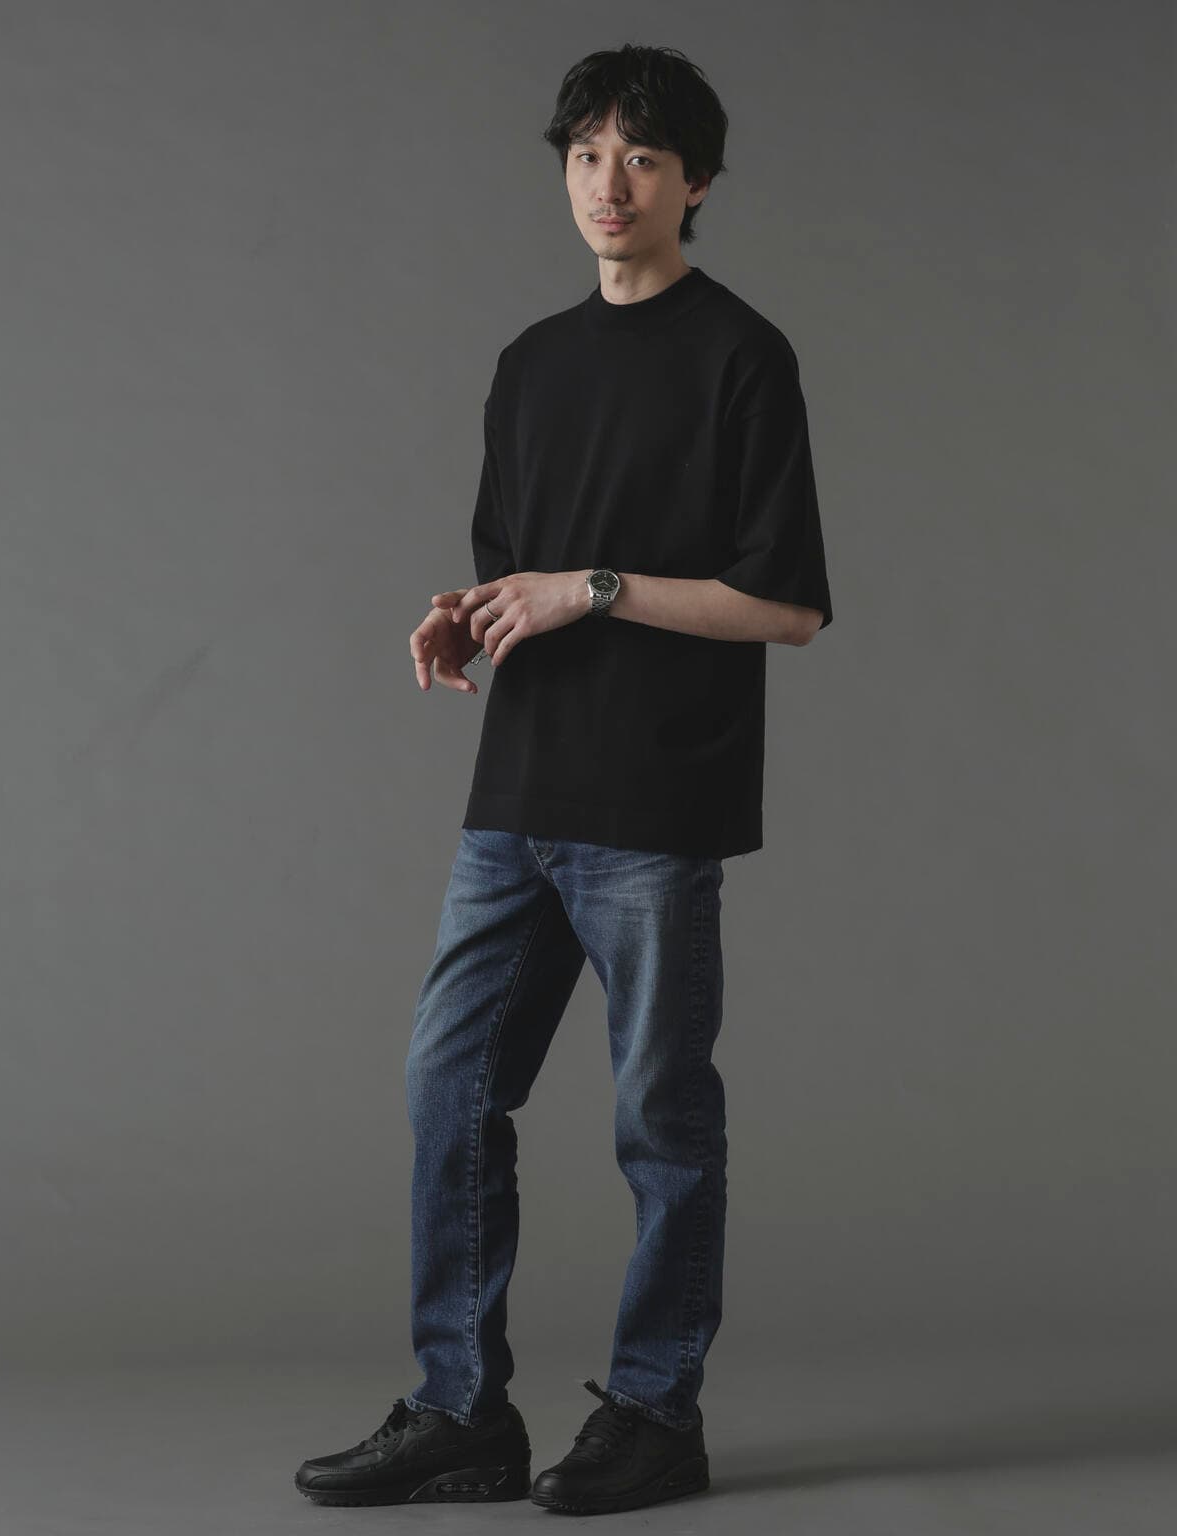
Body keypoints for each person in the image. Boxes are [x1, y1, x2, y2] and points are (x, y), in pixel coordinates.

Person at [295, 42, 833, 1517]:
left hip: (655, 805)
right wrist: (467, 614)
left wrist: (591, 587)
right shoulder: (531, 363)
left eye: (644, 158)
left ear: (696, 183)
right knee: (448, 1089)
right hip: (518, 795)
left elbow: (788, 605)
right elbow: (518, 576)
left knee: (661, 1121)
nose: (612, 183)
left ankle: (656, 1415)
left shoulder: (743, 356)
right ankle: (461, 1412)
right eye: (589, 153)